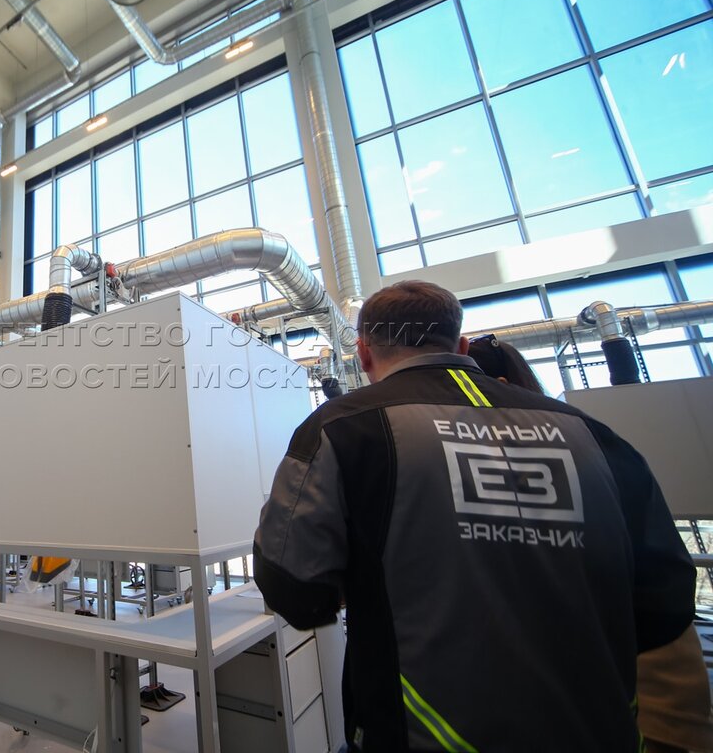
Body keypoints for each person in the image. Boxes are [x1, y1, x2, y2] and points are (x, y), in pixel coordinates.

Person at [253, 280, 695, 752]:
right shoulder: (593, 434)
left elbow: (293, 589)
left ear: (363, 353)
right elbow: (665, 602)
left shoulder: (341, 427)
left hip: (424, 733)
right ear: (461, 345)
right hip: (600, 732)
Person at [468, 333, 713, 753]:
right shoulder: (587, 439)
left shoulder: (571, 447)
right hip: (605, 664)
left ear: (499, 386)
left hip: (634, 666)